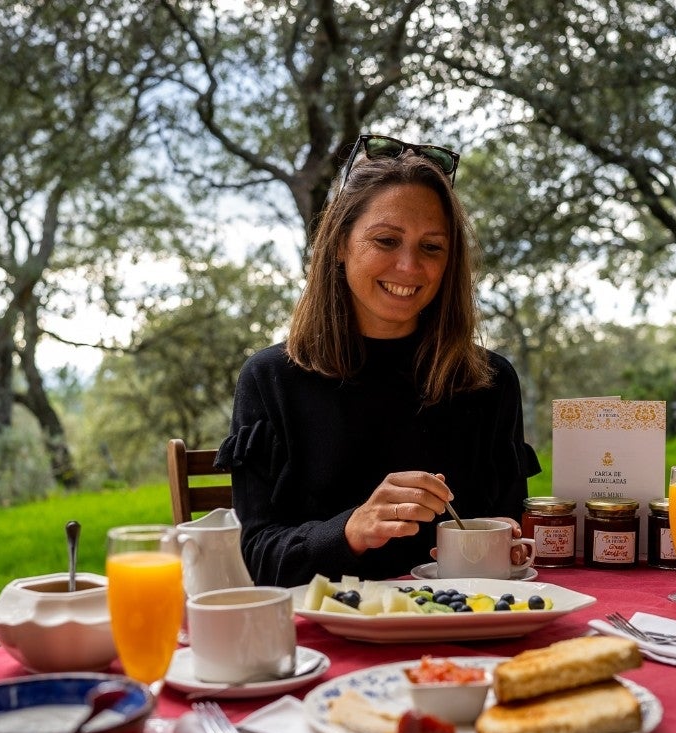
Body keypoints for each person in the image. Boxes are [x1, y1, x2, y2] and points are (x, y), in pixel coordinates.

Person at [216, 134, 541, 587]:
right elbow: (257, 560)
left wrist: (509, 541)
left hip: (463, 631)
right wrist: (349, 531)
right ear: (339, 245)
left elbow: (507, 530)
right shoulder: (271, 380)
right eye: (386, 240)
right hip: (328, 636)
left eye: (431, 247)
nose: (409, 267)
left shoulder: (489, 382)